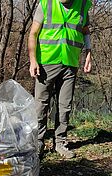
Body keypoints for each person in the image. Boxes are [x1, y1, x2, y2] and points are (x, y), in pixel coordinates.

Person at [28, 0, 92, 159]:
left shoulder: (83, 5)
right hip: (46, 63)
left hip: (70, 63)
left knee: (65, 105)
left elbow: (85, 31)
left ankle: (60, 143)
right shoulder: (46, 4)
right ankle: (38, 142)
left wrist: (89, 53)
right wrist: (33, 60)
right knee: (41, 104)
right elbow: (33, 33)